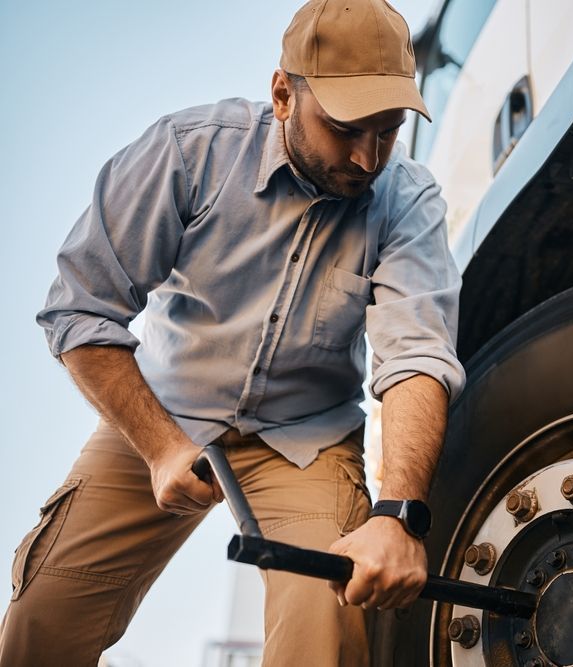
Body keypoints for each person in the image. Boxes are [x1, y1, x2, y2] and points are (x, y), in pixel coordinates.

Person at [0, 0, 464, 664]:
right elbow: (80, 311)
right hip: (163, 414)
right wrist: (160, 447)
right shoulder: (187, 154)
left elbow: (417, 357)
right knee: (41, 619)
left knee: (327, 617)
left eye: (386, 131)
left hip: (305, 439)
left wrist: (398, 516)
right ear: (282, 93)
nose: (367, 158)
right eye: (346, 128)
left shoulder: (408, 202)